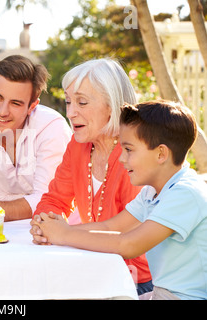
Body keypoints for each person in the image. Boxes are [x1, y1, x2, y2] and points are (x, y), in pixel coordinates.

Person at [32, 100, 207, 300]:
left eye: (129, 150)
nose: (121, 158)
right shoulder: (153, 192)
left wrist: (64, 235)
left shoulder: (185, 193)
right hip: (159, 294)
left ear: (161, 153)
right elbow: (110, 227)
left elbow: (129, 245)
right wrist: (52, 230)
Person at [30, 58, 152, 297]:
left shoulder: (135, 154)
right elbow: (54, 199)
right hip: (94, 269)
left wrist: (64, 234)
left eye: (82, 102)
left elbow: (128, 237)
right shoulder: (78, 146)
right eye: (68, 102)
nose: (70, 112)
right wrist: (45, 223)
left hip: (135, 282)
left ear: (113, 105)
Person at [0, 55, 72, 221]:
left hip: (56, 230)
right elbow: (0, 199)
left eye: (15, 103)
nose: (2, 111)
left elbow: (49, 202)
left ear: (32, 106)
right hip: (4, 231)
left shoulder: (52, 129)